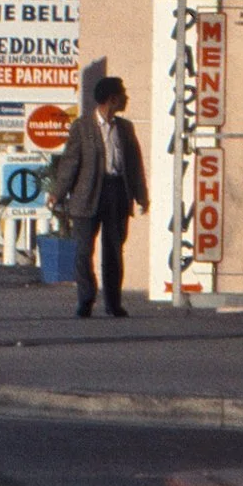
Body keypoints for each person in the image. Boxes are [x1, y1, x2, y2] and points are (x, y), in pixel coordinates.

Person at [46, 76, 148, 318]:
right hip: (88, 194)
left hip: (116, 193)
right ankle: (86, 299)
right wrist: (57, 192)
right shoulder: (82, 127)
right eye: (123, 94)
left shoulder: (125, 128)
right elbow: (70, 162)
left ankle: (114, 303)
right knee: (84, 251)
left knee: (114, 250)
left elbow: (134, 164)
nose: (126, 99)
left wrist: (141, 195)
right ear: (112, 99)